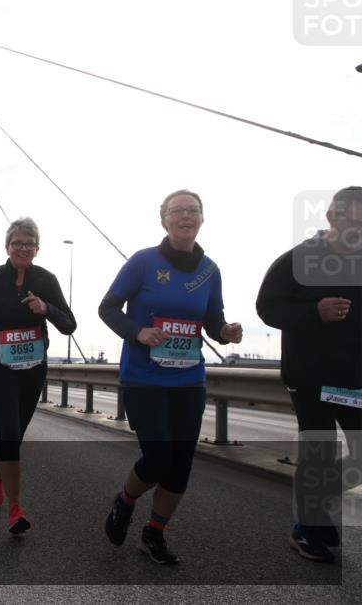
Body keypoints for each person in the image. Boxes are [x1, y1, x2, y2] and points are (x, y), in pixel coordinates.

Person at [99, 189, 242, 564]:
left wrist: (225, 331)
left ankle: (154, 533)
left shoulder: (210, 270)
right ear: (163, 219)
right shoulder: (143, 262)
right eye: (177, 210)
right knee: (158, 456)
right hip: (144, 376)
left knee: (181, 464)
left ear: (202, 218)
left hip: (188, 379)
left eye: (192, 210)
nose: (185, 216)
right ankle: (125, 500)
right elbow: (108, 307)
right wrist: (138, 332)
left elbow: (212, 320)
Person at [256, 186, 362, 563]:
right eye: (355, 220)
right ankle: (308, 529)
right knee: (319, 452)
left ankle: (313, 509)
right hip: (310, 375)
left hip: (354, 379)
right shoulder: (298, 259)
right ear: (333, 217)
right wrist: (313, 312)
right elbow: (266, 308)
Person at [0, 217, 75, 534]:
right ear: (7, 247)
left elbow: (69, 324)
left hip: (32, 367)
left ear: (37, 249)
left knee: (17, 434)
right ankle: (16, 509)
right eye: (18, 243)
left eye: (29, 243)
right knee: (9, 430)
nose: (23, 248)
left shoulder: (46, 280)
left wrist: (47, 309)